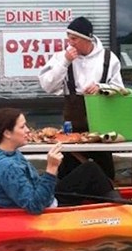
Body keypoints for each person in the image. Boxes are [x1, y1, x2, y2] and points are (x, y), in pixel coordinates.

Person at [0, 107, 116, 214]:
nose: (28, 130)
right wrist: (51, 169)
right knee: (91, 170)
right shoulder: (8, 167)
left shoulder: (1, 153)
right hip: (47, 205)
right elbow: (34, 206)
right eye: (22, 127)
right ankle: (118, 210)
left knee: (86, 169)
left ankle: (109, 205)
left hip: (44, 195)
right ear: (7, 133)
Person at [39, 16, 125, 179]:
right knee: (69, 175)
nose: (69, 43)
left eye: (74, 39)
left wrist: (102, 88)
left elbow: (121, 91)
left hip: (101, 129)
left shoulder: (108, 58)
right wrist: (65, 62)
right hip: (72, 129)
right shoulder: (61, 57)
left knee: (104, 176)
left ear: (87, 39)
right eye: (68, 38)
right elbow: (47, 85)